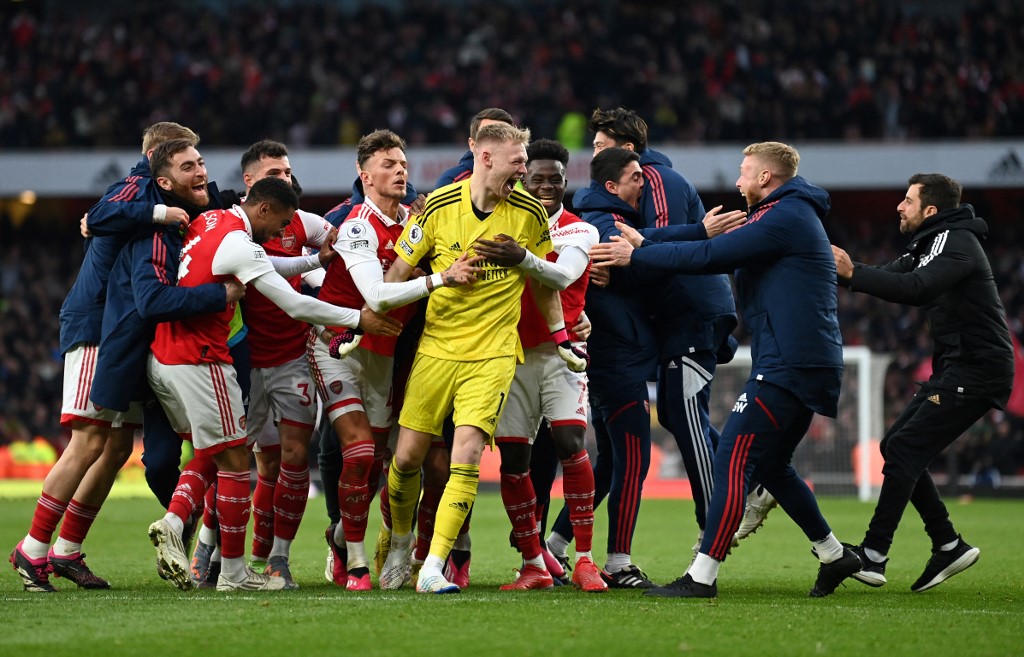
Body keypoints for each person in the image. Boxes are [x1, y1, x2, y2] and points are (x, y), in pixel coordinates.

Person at [591, 141, 861, 598]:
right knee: (772, 465)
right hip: (801, 358)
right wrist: (647, 241)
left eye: (744, 172)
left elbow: (709, 256)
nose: (737, 181)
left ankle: (702, 576)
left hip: (791, 362)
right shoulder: (783, 215)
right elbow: (708, 244)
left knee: (732, 454)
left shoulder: (786, 216)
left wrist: (635, 255)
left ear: (765, 178)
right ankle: (835, 554)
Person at [145, 177, 401, 592]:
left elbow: (268, 264)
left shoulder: (211, 219)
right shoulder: (242, 244)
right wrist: (356, 319)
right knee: (231, 461)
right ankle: (228, 569)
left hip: (166, 355)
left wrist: (315, 261)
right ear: (263, 209)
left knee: (217, 453)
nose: (281, 233)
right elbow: (294, 303)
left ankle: (181, 526)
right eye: (279, 223)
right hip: (203, 358)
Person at [378, 122, 585, 594]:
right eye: (517, 160)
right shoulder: (436, 207)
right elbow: (393, 280)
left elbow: (545, 284)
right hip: (437, 348)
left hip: (493, 353)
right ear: (486, 157)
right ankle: (400, 542)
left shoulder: (530, 213)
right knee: (407, 459)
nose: (523, 168)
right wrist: (442, 278)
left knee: (466, 455)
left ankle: (432, 566)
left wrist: (561, 335)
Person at [9, 122, 199, 593]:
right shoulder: (136, 184)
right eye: (185, 160)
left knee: (115, 447)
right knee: (89, 439)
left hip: (122, 329)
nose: (195, 169)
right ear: (159, 157)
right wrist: (156, 213)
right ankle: (32, 549)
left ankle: (67, 550)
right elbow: (101, 214)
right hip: (96, 322)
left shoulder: (154, 192)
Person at [310, 129, 479, 590]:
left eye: (403, 163)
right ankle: (360, 566)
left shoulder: (416, 221)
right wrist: (441, 277)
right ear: (364, 176)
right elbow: (378, 296)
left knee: (379, 462)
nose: (400, 170)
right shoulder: (358, 224)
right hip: (340, 348)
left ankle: (342, 535)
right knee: (361, 453)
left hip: (389, 355)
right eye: (388, 164)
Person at [832, 173, 1014, 592]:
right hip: (958, 368)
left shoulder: (955, 241)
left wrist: (852, 272)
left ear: (931, 210)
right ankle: (947, 544)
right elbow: (889, 276)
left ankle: (875, 554)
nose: (899, 206)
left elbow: (913, 288)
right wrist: (838, 270)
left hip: (978, 369)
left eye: (907, 200)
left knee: (905, 446)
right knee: (896, 445)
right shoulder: (932, 241)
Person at [586, 107, 746, 558]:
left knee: (682, 413)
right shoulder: (625, 193)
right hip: (676, 318)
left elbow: (668, 249)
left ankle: (714, 523)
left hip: (690, 313)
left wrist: (631, 257)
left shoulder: (657, 179)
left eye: (601, 147)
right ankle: (752, 483)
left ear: (628, 151)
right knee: (673, 417)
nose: (595, 156)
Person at [471, 138, 605, 592]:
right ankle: (533, 564)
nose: (546, 185)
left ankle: (585, 558)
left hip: (560, 354)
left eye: (555, 179)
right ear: (522, 180)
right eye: (538, 178)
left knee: (570, 440)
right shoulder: (504, 225)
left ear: (567, 183)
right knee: (514, 459)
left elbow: (564, 276)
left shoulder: (579, 231)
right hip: (508, 355)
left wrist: (521, 258)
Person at [435, 107, 514, 187]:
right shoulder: (451, 181)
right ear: (472, 145)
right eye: (488, 134)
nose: (497, 142)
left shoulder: (519, 178)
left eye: (503, 135)